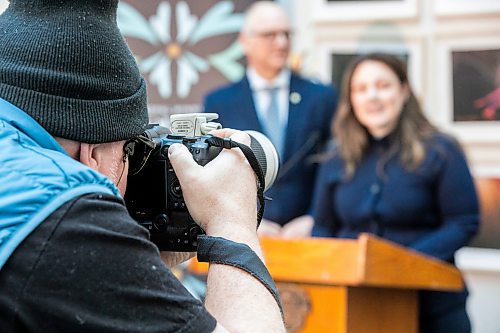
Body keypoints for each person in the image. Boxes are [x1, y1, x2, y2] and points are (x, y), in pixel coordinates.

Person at [0, 1, 285, 332]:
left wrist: (138, 256)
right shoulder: (65, 216)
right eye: (129, 153)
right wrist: (231, 221)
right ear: (92, 158)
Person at [311, 53, 479, 333]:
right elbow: (323, 226)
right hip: (357, 305)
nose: (372, 96)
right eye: (361, 89)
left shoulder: (441, 150)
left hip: (432, 308)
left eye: (383, 85)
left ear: (404, 91)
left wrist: (400, 264)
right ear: (351, 100)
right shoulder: (335, 156)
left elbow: (463, 222)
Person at [203, 1, 337, 238]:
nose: (282, 43)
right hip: (246, 236)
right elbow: (214, 173)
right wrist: (248, 219)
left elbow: (334, 164)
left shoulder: (321, 97)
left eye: (286, 34)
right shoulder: (219, 103)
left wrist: (315, 217)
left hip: (308, 238)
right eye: (270, 35)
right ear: (246, 42)